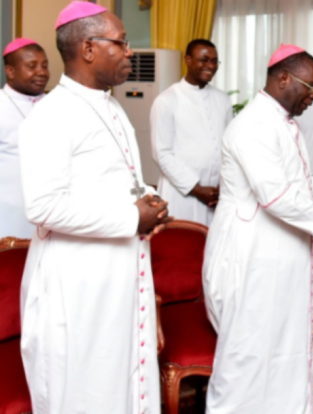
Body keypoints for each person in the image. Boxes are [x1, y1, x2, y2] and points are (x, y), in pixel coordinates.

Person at [19, 3, 171, 412]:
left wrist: (149, 203)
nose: (129, 52)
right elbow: (44, 206)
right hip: (77, 283)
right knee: (86, 389)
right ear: (88, 48)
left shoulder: (112, 106)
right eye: (121, 43)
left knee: (120, 381)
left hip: (118, 271)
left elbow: (113, 180)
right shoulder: (51, 115)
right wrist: (131, 217)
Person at [202, 44, 313, 414]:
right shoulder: (252, 124)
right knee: (246, 355)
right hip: (249, 256)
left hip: (278, 255)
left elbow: (302, 181)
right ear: (282, 79)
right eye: (310, 88)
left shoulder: (284, 123)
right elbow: (275, 194)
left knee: (283, 348)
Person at [151, 39, 232, 226]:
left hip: (216, 195)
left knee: (213, 249)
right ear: (188, 60)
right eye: (204, 60)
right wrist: (196, 189)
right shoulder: (167, 100)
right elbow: (161, 154)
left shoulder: (223, 99)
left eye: (214, 61)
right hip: (181, 194)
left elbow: (229, 147)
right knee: (182, 249)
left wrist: (224, 186)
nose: (210, 66)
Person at [0, 38, 49, 239]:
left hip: (51, 211)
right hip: (9, 211)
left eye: (44, 65)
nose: (41, 72)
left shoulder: (56, 105)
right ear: (10, 71)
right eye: (32, 66)